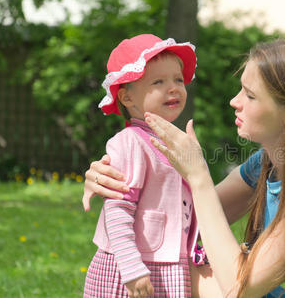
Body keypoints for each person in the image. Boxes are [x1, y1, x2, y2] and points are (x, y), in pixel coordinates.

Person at [83, 39, 285, 297]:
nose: (234, 102)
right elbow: (182, 224)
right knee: (175, 268)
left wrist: (198, 177)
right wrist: (115, 180)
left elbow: (240, 289)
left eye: (250, 96)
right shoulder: (266, 164)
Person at [83, 34, 201, 298]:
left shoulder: (176, 143)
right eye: (158, 82)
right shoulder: (129, 142)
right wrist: (131, 267)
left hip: (168, 263)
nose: (173, 88)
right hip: (133, 268)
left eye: (178, 80)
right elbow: (118, 209)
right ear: (126, 98)